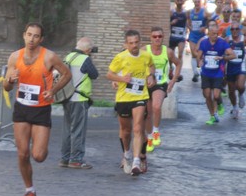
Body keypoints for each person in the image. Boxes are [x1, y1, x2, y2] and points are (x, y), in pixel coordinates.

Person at [3, 22, 71, 196]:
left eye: (36, 36)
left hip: (41, 109)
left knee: (38, 156)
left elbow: (67, 74)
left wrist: (54, 90)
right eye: (29, 35)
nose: (32, 39)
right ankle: (30, 191)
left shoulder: (49, 57)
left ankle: (41, 145)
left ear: (41, 39)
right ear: (24, 35)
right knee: (22, 154)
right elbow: (6, 86)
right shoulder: (14, 57)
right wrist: (10, 80)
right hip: (22, 108)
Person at [106, 30, 155, 176]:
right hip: (123, 98)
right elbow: (109, 74)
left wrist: (151, 76)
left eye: (136, 42)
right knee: (125, 131)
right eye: (131, 43)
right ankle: (127, 154)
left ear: (140, 42)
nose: (134, 45)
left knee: (138, 128)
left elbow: (151, 65)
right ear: (126, 44)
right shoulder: (120, 57)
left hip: (140, 96)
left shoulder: (146, 55)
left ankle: (136, 162)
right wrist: (121, 80)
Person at [59, 37, 99, 169]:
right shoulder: (85, 59)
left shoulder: (68, 56)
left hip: (67, 98)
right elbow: (94, 74)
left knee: (67, 130)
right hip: (79, 99)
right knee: (78, 130)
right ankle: (76, 160)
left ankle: (64, 159)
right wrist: (89, 57)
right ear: (88, 50)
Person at [144, 27, 181, 153]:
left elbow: (178, 63)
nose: (157, 39)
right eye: (154, 36)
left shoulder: (168, 52)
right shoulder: (145, 50)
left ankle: (155, 131)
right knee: (147, 114)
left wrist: (172, 81)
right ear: (151, 38)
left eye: (159, 36)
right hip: (146, 84)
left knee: (156, 106)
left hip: (160, 83)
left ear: (163, 37)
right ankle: (149, 138)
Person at [196, 20, 236, 125]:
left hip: (218, 72)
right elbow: (198, 55)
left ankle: (220, 103)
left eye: (216, 34)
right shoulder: (204, 43)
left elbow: (233, 55)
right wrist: (199, 62)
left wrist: (222, 57)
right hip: (206, 72)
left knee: (217, 95)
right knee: (207, 94)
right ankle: (212, 115)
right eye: (213, 34)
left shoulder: (222, 42)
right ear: (208, 33)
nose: (215, 36)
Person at [225, 21, 246, 119]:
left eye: (237, 29)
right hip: (230, 66)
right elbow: (221, 50)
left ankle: (241, 94)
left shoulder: (244, 39)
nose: (235, 31)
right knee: (231, 90)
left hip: (240, 65)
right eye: (232, 29)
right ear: (230, 30)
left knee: (240, 86)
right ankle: (235, 107)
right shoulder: (227, 40)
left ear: (240, 30)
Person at [186, 0, 207, 82]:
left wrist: (205, 27)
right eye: (195, 2)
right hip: (193, 35)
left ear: (200, 2)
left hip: (201, 36)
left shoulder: (204, 11)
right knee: (194, 53)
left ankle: (201, 71)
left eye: (198, 2)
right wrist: (189, 27)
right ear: (193, 2)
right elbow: (187, 21)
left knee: (201, 54)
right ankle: (195, 73)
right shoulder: (190, 12)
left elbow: (209, 22)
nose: (197, 3)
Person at [169, 0, 187, 81]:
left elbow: (189, 23)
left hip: (181, 37)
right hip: (172, 37)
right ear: (175, 1)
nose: (179, 2)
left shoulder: (186, 13)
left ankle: (178, 73)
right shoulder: (171, 12)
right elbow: (166, 24)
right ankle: (171, 69)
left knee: (180, 54)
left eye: (181, 0)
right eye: (178, 0)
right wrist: (171, 23)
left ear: (183, 2)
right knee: (170, 55)